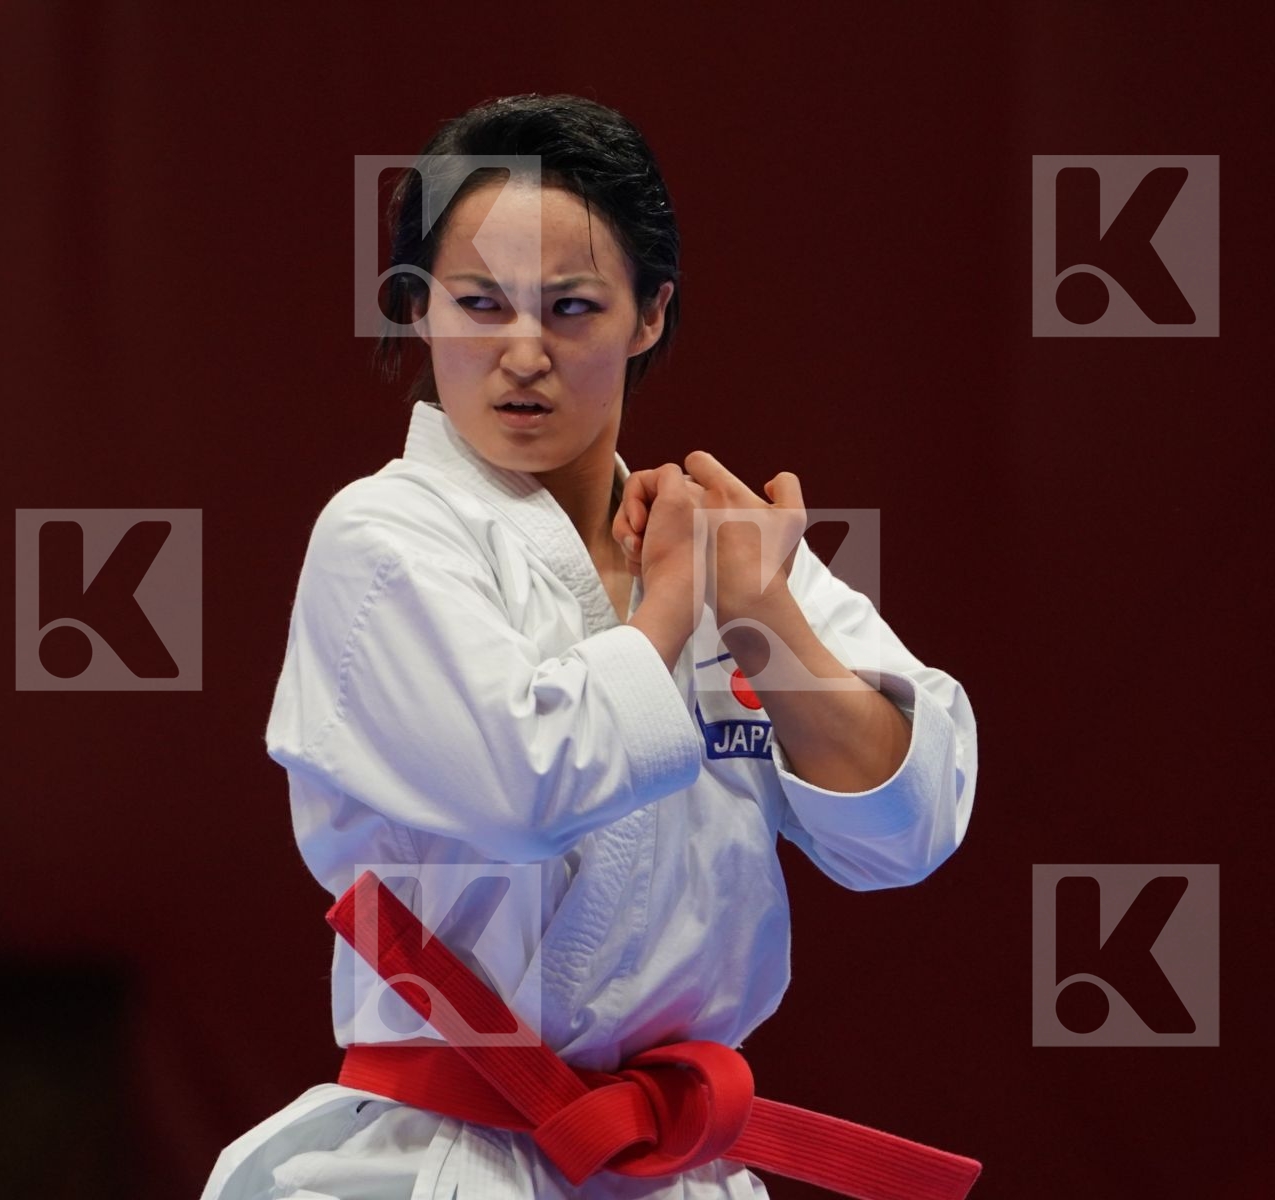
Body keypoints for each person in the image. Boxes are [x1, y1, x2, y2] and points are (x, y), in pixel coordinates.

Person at [201, 92, 979, 1199]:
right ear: (419, 308)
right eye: (479, 304)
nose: (523, 354)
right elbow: (528, 788)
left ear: (649, 314)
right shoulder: (381, 539)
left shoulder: (729, 554)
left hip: (680, 1172)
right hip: (441, 1156)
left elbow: (910, 827)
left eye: (571, 307)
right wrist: (669, 609)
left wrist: (760, 614)